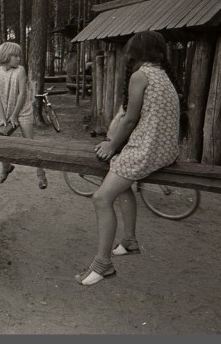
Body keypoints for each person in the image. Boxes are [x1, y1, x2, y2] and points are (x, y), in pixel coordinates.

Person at [75, 30, 182, 286]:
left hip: (148, 150)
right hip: (166, 149)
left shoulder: (140, 75)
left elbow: (130, 119)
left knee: (101, 198)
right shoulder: (163, 75)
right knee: (122, 186)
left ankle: (102, 265)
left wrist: (112, 145)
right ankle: (130, 241)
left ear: (135, 52)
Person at [0, 42, 48, 190]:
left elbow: (22, 94)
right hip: (4, 110)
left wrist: (15, 115)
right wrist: (3, 118)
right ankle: (6, 167)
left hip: (21, 110)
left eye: (19, 55)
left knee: (30, 143)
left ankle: (40, 173)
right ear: (5, 56)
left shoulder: (20, 71)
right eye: (15, 56)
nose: (18, 58)